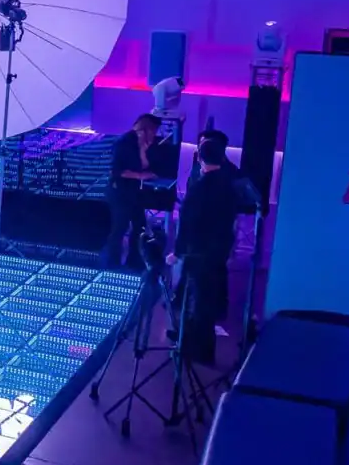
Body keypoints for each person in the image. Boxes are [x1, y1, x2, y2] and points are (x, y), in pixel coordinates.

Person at [176, 133, 256, 367]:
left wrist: (177, 251)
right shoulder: (230, 184)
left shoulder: (199, 188)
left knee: (199, 301)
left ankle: (198, 350)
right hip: (220, 248)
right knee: (208, 298)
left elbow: (187, 222)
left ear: (199, 158)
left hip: (199, 251)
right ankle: (201, 347)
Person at [101, 113, 162, 268]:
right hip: (119, 193)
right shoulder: (123, 143)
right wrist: (140, 176)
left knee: (139, 226)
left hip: (132, 193)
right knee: (119, 229)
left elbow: (143, 165)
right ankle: (111, 263)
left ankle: (134, 261)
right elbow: (116, 171)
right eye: (154, 131)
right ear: (147, 129)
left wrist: (143, 149)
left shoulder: (140, 143)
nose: (155, 135)